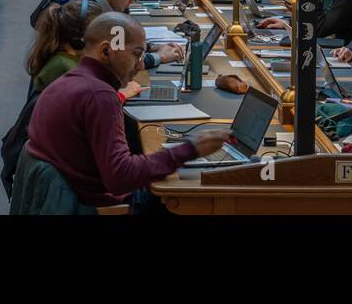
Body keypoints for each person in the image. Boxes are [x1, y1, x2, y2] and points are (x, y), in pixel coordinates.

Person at [20, 12, 231, 211]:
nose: (140, 66)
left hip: (73, 193)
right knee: (207, 194)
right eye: (136, 54)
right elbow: (120, 177)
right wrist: (191, 149)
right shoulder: (99, 96)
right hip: (96, 205)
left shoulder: (71, 80)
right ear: (106, 51)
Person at [85, 0, 182, 69]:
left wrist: (149, 47)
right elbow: (121, 62)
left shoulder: (101, 9)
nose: (132, 0)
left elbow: (121, 45)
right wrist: (160, 56)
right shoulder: (94, 17)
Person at [25, 0, 121, 93]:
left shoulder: (68, 59)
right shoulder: (64, 69)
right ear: (80, 41)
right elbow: (92, 102)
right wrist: (121, 95)